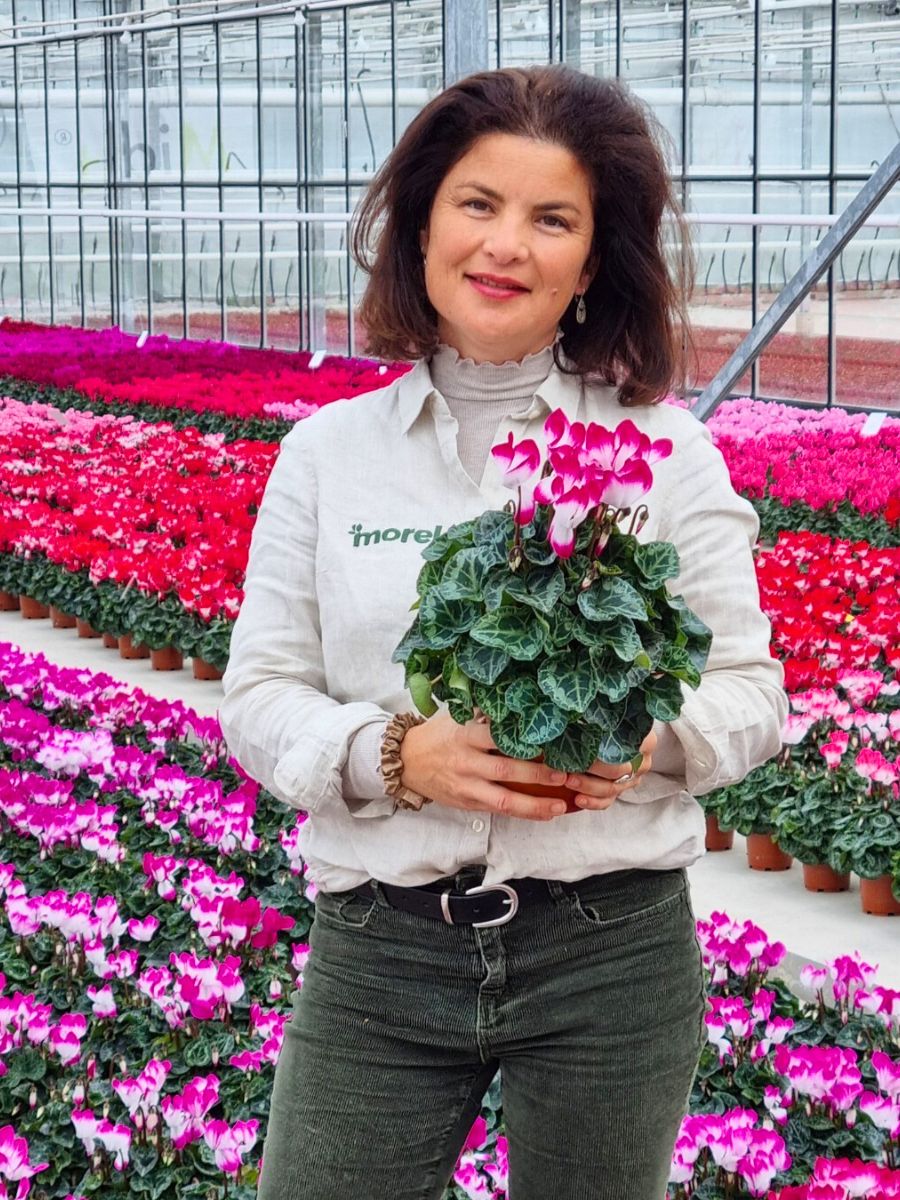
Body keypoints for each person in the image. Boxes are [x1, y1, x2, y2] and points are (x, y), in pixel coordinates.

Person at [218, 65, 788, 1200]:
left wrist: (646, 746)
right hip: (382, 945)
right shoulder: (330, 456)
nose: (506, 244)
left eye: (553, 218)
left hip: (607, 945)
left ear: (592, 257)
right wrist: (396, 757)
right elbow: (260, 694)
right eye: (478, 203)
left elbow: (751, 693)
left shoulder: (664, 452)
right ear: (424, 220)